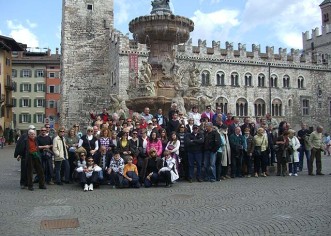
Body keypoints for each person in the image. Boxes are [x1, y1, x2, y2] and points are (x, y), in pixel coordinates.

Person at [14, 124, 36, 189]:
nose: (33, 131)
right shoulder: (24, 136)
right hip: (25, 156)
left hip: (31, 156)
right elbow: (20, 146)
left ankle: (28, 183)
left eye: (34, 129)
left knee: (29, 170)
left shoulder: (33, 136)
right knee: (24, 170)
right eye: (32, 129)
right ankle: (23, 183)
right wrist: (19, 155)